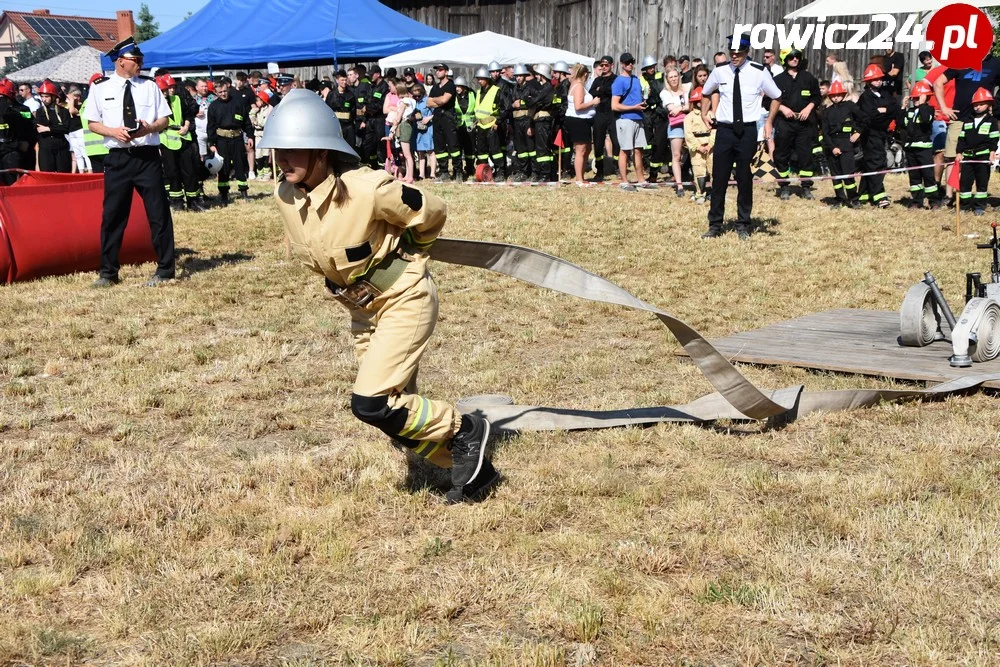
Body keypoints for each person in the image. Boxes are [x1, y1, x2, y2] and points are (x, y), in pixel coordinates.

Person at [260, 90, 500, 504]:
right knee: (392, 414)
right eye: (279, 149)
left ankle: (466, 430)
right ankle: (474, 472)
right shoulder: (286, 196)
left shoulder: (369, 189)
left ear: (323, 151)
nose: (284, 159)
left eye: (296, 150)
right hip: (361, 311)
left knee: (370, 405)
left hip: (403, 299)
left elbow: (432, 211)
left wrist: (414, 248)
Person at [84, 36, 175, 288]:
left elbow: (164, 119)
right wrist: (113, 131)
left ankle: (166, 270)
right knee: (113, 216)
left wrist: (149, 128)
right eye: (137, 60)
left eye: (141, 59)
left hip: (147, 157)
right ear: (121, 61)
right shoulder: (100, 87)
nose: (141, 63)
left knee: (158, 214)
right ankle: (108, 272)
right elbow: (92, 122)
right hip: (118, 159)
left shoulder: (149, 86)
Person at [701, 33, 780, 240]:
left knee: (745, 179)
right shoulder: (720, 72)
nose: (735, 57)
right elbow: (706, 91)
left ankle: (743, 223)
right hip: (725, 131)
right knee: (719, 179)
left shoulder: (759, 72)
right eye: (732, 53)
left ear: (747, 52)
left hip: (747, 131)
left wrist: (769, 121)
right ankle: (715, 224)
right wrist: (704, 112)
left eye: (739, 53)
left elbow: (777, 96)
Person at [772, 49, 821, 200]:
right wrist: (782, 108)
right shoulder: (778, 80)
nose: (795, 59)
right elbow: (768, 100)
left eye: (797, 57)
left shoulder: (808, 78)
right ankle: (784, 187)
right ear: (784, 59)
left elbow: (817, 97)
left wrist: (809, 107)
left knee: (806, 155)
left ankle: (805, 187)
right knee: (781, 155)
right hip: (784, 123)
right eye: (791, 57)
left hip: (804, 125)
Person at [158, 74, 206, 211]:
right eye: (163, 91)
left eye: (166, 90)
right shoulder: (154, 104)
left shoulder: (177, 99)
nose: (166, 93)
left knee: (189, 171)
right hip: (166, 141)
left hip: (183, 138)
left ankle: (193, 201)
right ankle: (177, 202)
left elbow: (188, 113)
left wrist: (186, 125)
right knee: (172, 173)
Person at [207, 76, 254, 205]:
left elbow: (246, 122)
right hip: (222, 140)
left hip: (237, 138)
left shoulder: (238, 103)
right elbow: (210, 127)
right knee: (224, 168)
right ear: (216, 93)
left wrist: (250, 136)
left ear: (228, 88)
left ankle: (244, 192)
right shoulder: (213, 107)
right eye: (220, 92)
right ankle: (223, 195)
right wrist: (212, 144)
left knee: (240, 165)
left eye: (224, 91)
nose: (223, 94)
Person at [857, 64, 898, 208]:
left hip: (883, 134)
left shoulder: (885, 94)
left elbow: (895, 108)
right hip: (870, 134)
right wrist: (884, 113)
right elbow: (870, 116)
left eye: (880, 79)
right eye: (875, 79)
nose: (878, 81)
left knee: (874, 163)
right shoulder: (865, 97)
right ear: (868, 81)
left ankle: (863, 194)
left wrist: (884, 111)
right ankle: (880, 197)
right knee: (876, 163)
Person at [821, 80, 863, 209]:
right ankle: (839, 198)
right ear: (830, 96)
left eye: (838, 95)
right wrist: (832, 147)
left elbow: (863, 119)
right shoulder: (826, 112)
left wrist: (858, 132)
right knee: (836, 177)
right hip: (832, 146)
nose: (836, 97)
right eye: (833, 95)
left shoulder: (850, 106)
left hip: (847, 145)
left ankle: (853, 199)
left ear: (843, 95)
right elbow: (825, 132)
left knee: (848, 174)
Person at [957, 87, 999, 216]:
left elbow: (994, 139)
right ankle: (964, 206)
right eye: (975, 104)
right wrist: (959, 152)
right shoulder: (968, 120)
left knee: (981, 183)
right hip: (968, 157)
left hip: (983, 157)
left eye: (981, 104)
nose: (978, 107)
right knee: (965, 182)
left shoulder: (991, 122)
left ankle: (979, 206)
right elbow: (962, 138)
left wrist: (992, 153)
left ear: (989, 105)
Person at [611, 52, 649, 190]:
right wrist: (634, 107)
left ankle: (640, 179)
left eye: (632, 62)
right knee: (625, 150)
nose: (630, 65)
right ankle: (624, 181)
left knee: (638, 149)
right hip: (625, 119)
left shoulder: (636, 79)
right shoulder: (619, 81)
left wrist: (642, 104)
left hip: (638, 118)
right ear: (622, 64)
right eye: (627, 63)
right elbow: (614, 105)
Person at [901, 80, 939, 209]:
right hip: (911, 148)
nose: (915, 100)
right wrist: (902, 108)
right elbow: (901, 124)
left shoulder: (929, 109)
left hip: (924, 148)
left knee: (928, 175)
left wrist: (922, 104)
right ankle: (917, 200)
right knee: (914, 176)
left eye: (918, 97)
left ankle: (934, 201)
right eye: (914, 98)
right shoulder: (910, 111)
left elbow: (925, 120)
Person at [426, 63, 461, 181]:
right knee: (439, 147)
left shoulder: (450, 85)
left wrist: (438, 100)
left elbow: (444, 100)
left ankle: (458, 171)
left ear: (446, 72)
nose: (437, 72)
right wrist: (438, 100)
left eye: (440, 70)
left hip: (448, 118)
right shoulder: (435, 87)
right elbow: (428, 103)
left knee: (453, 145)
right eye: (436, 70)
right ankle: (443, 172)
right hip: (437, 118)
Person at [565, 63, 598, 185]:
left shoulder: (576, 85)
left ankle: (582, 177)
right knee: (580, 149)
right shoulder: (578, 86)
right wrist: (593, 102)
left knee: (587, 148)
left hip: (583, 120)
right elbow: (578, 106)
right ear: (585, 74)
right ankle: (579, 179)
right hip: (578, 120)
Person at [472, 67, 506, 182]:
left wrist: (498, 122)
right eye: (478, 79)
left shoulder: (496, 91)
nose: (479, 81)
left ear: (487, 79)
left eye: (481, 79)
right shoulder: (478, 92)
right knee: (481, 152)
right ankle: (483, 172)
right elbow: (479, 110)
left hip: (492, 125)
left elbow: (503, 108)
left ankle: (500, 172)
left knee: (495, 151)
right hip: (481, 125)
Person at [659, 67, 689, 196]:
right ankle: (679, 186)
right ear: (667, 79)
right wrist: (685, 108)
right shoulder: (665, 93)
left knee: (691, 153)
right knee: (676, 155)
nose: (673, 79)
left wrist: (681, 108)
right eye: (670, 77)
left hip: (690, 124)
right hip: (676, 125)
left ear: (679, 77)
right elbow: (672, 110)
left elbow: (691, 106)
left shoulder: (687, 89)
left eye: (675, 76)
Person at [589, 55, 619, 181]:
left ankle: (618, 168)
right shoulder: (597, 80)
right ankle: (599, 172)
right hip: (600, 113)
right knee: (598, 142)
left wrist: (601, 90)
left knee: (617, 142)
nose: (604, 67)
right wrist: (601, 90)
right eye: (602, 65)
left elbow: (614, 90)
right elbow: (591, 93)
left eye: (606, 65)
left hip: (613, 113)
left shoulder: (616, 79)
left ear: (612, 65)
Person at [640, 56, 667, 183]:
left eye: (653, 67)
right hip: (646, 112)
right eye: (649, 67)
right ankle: (646, 164)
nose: (651, 69)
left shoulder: (660, 76)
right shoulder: (641, 79)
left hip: (659, 112)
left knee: (660, 141)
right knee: (647, 142)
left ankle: (655, 172)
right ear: (644, 69)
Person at [34, 80, 72, 173]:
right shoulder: (40, 112)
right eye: (42, 97)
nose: (44, 99)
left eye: (46, 96)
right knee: (47, 176)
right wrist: (57, 128)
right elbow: (39, 128)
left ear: (53, 96)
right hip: (46, 148)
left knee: (64, 175)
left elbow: (66, 128)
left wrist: (49, 128)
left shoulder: (63, 111)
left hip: (61, 147)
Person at [684, 87, 714, 204]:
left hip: (710, 148)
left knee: (714, 170)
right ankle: (700, 193)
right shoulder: (689, 117)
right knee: (699, 171)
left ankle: (715, 193)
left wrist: (710, 145)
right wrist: (698, 147)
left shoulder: (712, 115)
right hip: (697, 150)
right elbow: (688, 135)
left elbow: (715, 131)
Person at [0, 79, 33, 185]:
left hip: (13, 151)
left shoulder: (23, 110)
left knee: (14, 183)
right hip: (3, 148)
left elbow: (27, 126)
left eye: (3, 98)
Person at [528, 63, 557, 182]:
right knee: (542, 148)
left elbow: (533, 102)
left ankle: (545, 174)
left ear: (542, 75)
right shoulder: (545, 88)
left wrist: (529, 100)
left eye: (538, 75)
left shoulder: (546, 89)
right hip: (540, 121)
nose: (536, 77)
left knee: (542, 149)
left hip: (543, 121)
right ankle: (545, 173)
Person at [509, 64, 537, 182]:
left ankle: (534, 172)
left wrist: (522, 103)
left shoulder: (530, 88)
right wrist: (512, 105)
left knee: (531, 148)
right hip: (516, 121)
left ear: (525, 76)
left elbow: (535, 103)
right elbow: (509, 105)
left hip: (527, 119)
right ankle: (523, 172)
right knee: (521, 149)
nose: (518, 78)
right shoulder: (514, 88)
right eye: (517, 76)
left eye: (521, 75)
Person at [80, 73, 109, 173]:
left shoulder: (85, 103)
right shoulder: (103, 101)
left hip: (91, 149)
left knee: (98, 179)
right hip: (106, 146)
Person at [453, 76, 477, 180]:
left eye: (459, 86)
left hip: (469, 126)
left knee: (470, 149)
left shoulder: (472, 95)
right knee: (457, 149)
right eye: (456, 86)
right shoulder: (453, 96)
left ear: (464, 87)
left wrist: (475, 122)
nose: (457, 88)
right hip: (457, 126)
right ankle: (457, 169)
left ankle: (470, 168)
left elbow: (477, 108)